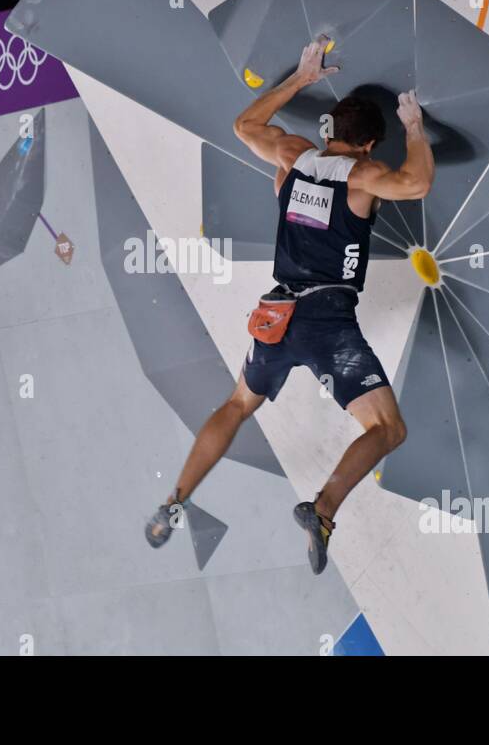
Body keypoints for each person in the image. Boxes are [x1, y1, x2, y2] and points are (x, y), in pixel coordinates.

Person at [146, 35, 436, 574]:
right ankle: (322, 510)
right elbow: (417, 183)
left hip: (275, 316)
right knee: (387, 430)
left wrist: (300, 79)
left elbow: (244, 127)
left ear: (329, 133)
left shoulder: (295, 156)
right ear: (371, 145)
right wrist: (416, 126)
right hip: (327, 321)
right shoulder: (363, 176)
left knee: (237, 406)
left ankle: (175, 500)